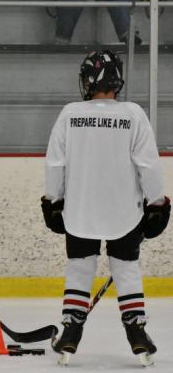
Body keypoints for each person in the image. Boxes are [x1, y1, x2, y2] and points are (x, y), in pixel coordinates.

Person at [43, 50, 170, 366]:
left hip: (80, 211)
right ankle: (137, 334)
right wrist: (157, 203)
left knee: (79, 268)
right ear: (117, 80)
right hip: (123, 214)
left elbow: (55, 164)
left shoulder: (71, 114)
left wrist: (53, 200)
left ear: (87, 81)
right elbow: (148, 165)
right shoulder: (133, 114)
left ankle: (71, 332)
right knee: (126, 269)